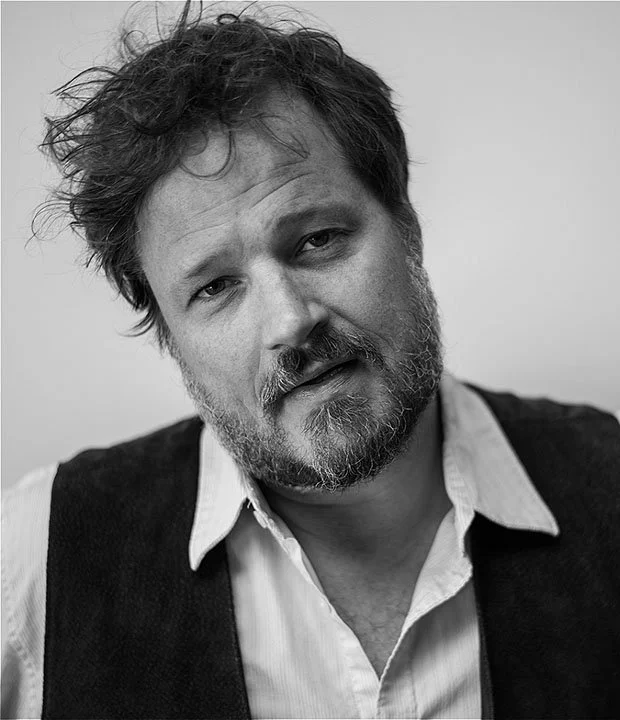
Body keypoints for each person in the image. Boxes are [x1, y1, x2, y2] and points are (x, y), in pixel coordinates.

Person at [2, 3, 619, 719]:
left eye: (318, 239)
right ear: (169, 335)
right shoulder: (35, 561)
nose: (291, 321)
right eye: (215, 287)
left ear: (407, 228)